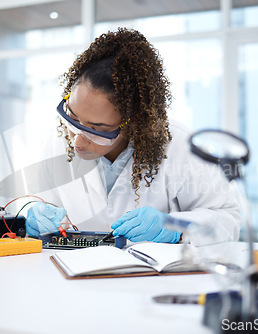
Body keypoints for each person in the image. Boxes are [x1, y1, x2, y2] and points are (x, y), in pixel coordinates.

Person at [24, 28, 241, 245]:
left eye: (98, 128)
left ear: (134, 121)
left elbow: (228, 221)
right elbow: (46, 207)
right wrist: (38, 218)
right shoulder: (58, 142)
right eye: (72, 117)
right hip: (70, 273)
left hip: (155, 276)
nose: (77, 140)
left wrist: (175, 226)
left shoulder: (179, 146)